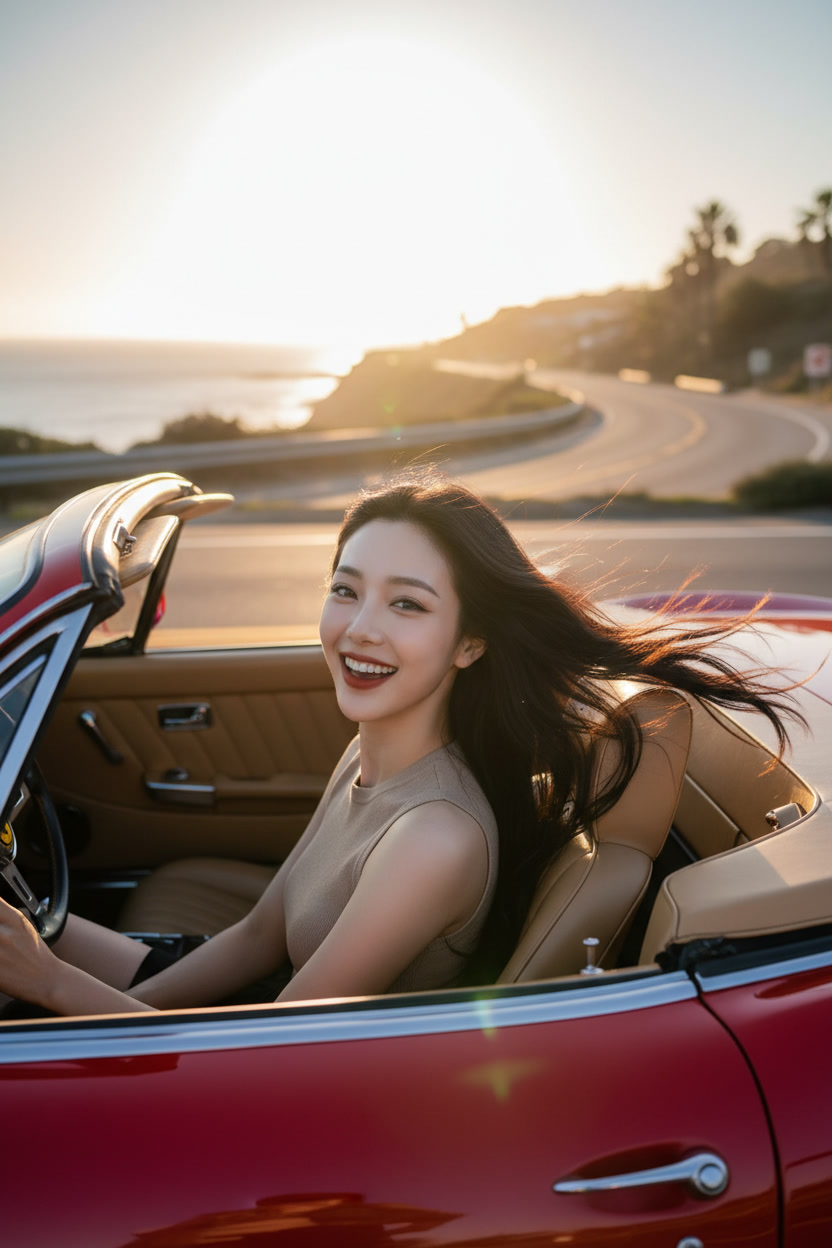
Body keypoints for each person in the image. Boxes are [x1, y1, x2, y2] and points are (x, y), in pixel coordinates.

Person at [0, 473, 802, 1016]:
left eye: (407, 605)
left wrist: (50, 985)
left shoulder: (435, 837)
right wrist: (88, 992)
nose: (360, 628)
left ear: (470, 643)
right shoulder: (369, 750)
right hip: (245, 1008)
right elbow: (259, 933)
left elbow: (270, 1050)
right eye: (345, 590)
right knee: (34, 916)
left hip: (263, 1065)